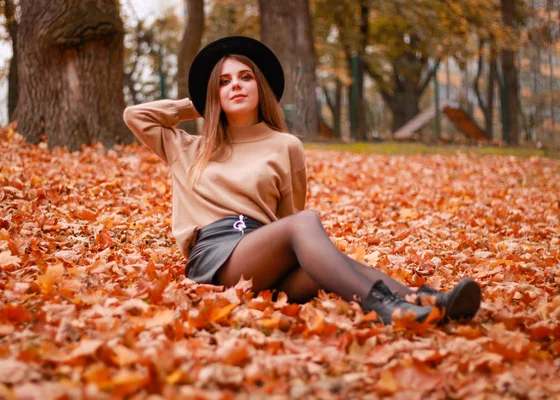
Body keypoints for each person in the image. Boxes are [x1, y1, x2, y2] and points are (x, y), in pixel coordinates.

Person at [123, 36, 481, 325]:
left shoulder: (285, 145)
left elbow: (286, 217)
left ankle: (429, 302)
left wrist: (292, 255)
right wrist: (200, 101)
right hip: (216, 259)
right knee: (307, 225)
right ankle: (389, 309)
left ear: (260, 86)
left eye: (245, 77)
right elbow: (135, 116)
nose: (236, 86)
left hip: (263, 251)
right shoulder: (187, 148)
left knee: (331, 267)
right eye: (224, 82)